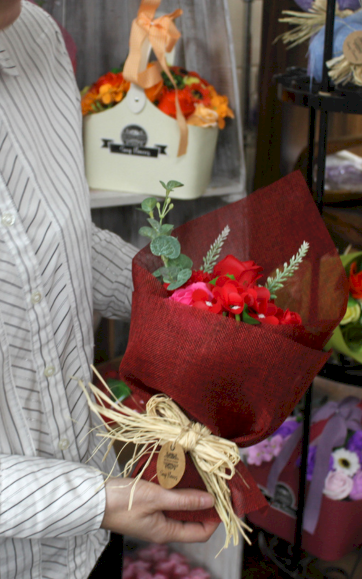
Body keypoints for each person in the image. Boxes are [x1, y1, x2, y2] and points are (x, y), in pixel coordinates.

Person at [0, 2, 219, 578]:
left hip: (95, 529)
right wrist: (99, 499)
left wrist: (190, 299)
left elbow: (58, 238)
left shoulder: (35, 33)